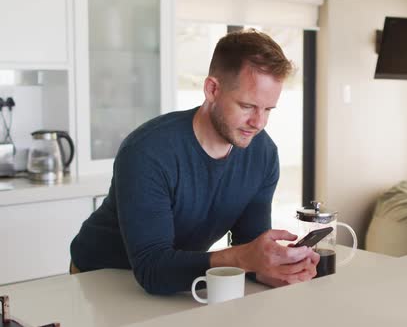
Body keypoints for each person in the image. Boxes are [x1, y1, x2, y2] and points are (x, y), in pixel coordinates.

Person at [70, 29, 320, 295]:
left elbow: (249, 247)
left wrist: (275, 269)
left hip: (175, 281)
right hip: (99, 279)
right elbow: (152, 268)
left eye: (268, 109)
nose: (258, 123)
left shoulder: (263, 155)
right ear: (212, 89)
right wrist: (245, 259)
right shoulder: (148, 151)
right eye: (247, 106)